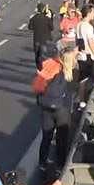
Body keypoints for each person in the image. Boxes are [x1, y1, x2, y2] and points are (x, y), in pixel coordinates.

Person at [35, 46, 78, 176]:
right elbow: (76, 89)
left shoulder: (51, 68)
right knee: (61, 139)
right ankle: (60, 166)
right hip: (62, 109)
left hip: (46, 107)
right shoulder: (73, 73)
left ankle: (42, 163)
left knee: (46, 137)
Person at [76, 6, 94, 80]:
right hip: (90, 57)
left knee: (82, 79)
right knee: (92, 79)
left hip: (81, 55)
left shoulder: (78, 25)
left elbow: (77, 40)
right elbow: (91, 43)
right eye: (93, 12)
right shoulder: (89, 27)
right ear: (88, 13)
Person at [28, 3, 53, 69]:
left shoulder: (33, 18)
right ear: (44, 9)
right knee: (44, 55)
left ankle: (38, 67)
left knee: (37, 54)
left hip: (37, 39)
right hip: (45, 39)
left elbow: (30, 27)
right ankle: (43, 68)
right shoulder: (47, 18)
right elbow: (52, 28)